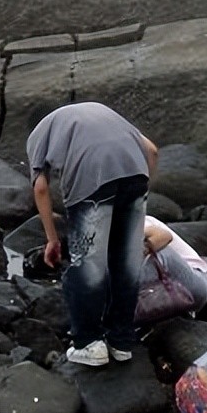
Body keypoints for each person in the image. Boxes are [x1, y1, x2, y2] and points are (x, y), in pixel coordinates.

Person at [26, 101, 158, 366]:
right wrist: (140, 195)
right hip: (135, 174)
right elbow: (152, 150)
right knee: (126, 265)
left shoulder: (41, 131)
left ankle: (89, 343)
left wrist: (52, 239)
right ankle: (121, 341)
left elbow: (40, 188)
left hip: (92, 180)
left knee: (87, 266)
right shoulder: (100, 111)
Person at [138, 214, 207, 318]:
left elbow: (165, 236)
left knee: (151, 249)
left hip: (193, 283)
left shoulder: (138, 221)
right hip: (163, 291)